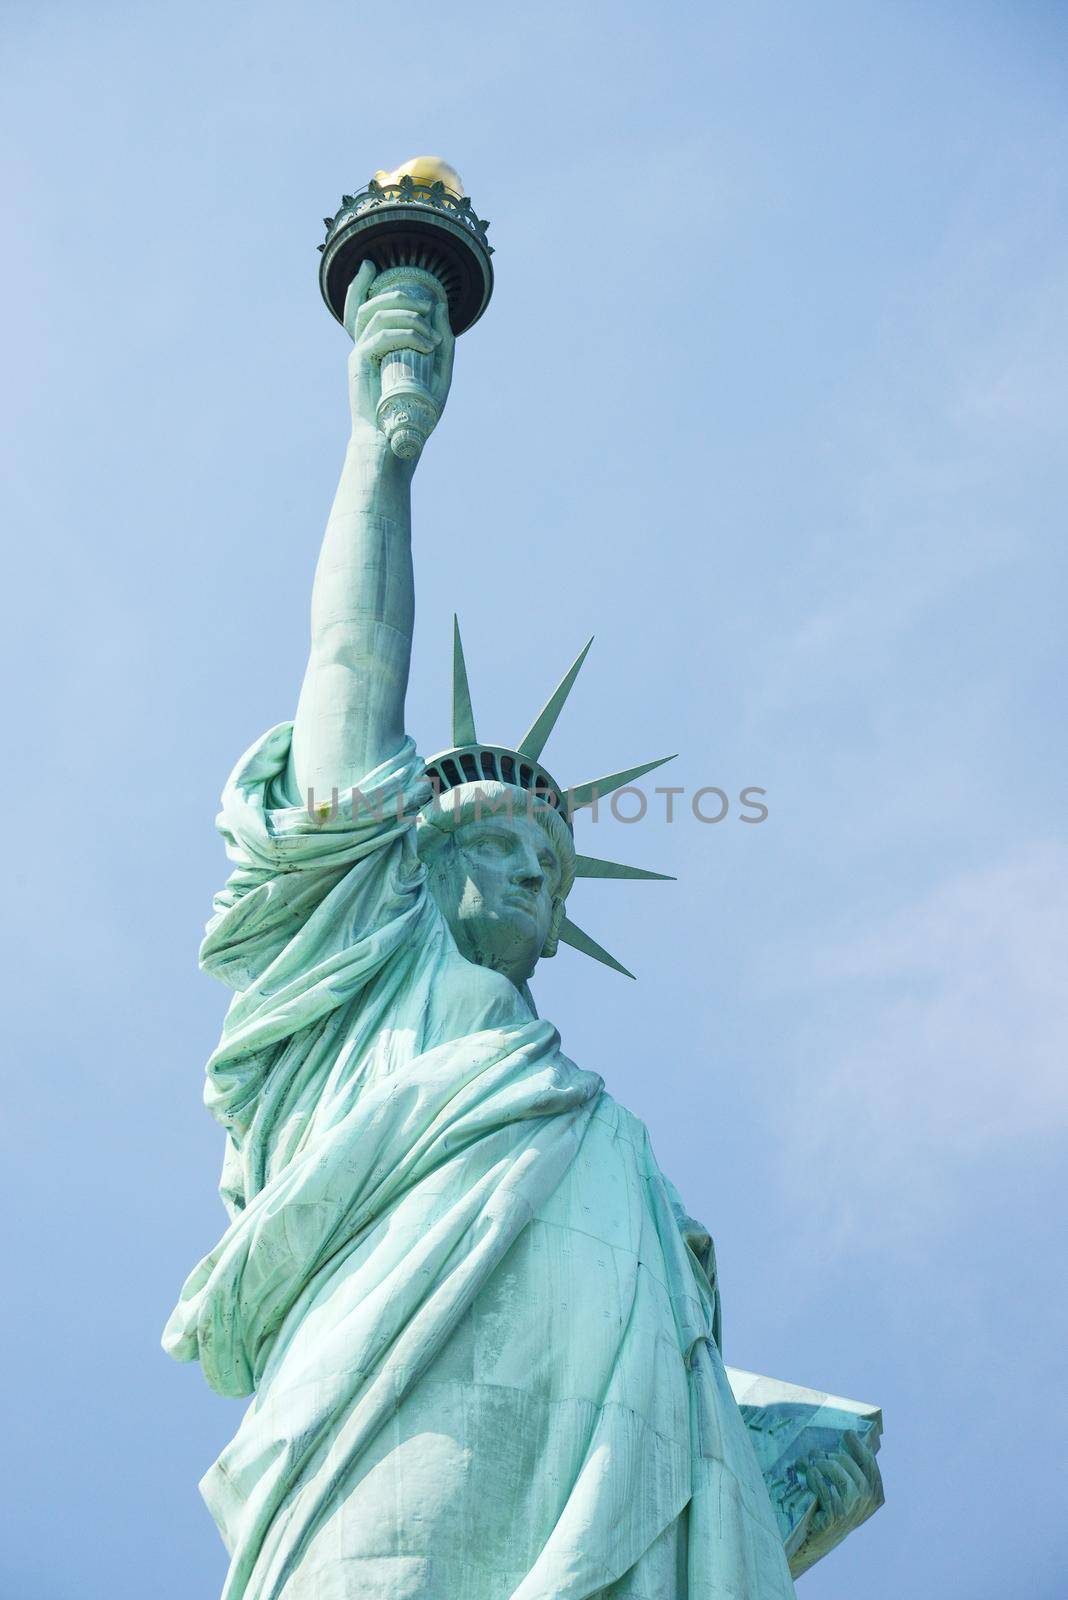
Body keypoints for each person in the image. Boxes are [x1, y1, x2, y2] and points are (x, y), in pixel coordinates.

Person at [164, 262, 876, 1599]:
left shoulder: (587, 1116)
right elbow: (348, 660)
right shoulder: (368, 984)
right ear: (409, 865)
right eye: (497, 838)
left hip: (617, 1460)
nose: (532, 871)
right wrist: (383, 446)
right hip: (387, 1403)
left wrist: (771, 1462)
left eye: (550, 861)